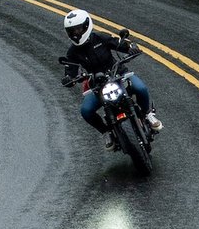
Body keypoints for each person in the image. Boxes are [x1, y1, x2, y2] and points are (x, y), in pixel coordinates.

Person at [61, 9, 162, 149]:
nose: (75, 33)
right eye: (72, 31)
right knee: (86, 111)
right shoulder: (72, 52)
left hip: (119, 75)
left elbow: (119, 44)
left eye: (78, 29)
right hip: (97, 86)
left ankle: (148, 114)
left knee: (141, 88)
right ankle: (106, 132)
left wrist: (131, 47)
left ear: (86, 26)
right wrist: (68, 78)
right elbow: (70, 71)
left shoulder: (100, 38)